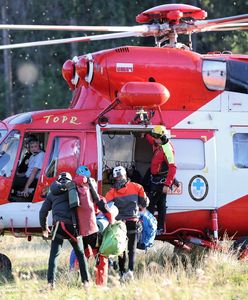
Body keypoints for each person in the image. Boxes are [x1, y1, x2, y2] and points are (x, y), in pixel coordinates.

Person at [39, 172, 90, 289]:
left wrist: (44, 228)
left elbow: (43, 212)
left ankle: (51, 284)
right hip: (73, 226)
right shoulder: (75, 189)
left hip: (58, 227)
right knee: (80, 254)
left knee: (54, 256)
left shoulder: (52, 193)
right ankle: (86, 283)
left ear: (58, 181)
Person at [105, 165, 149, 281]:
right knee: (132, 249)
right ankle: (130, 271)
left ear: (114, 178)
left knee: (121, 248)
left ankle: (121, 272)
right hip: (133, 221)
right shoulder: (137, 187)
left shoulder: (112, 192)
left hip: (119, 224)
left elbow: (106, 208)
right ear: (126, 175)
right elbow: (144, 203)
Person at [145, 125, 177, 235]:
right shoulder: (158, 144)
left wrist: (167, 185)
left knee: (150, 204)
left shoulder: (167, 149)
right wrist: (145, 134)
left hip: (160, 182)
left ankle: (150, 228)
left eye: (156, 137)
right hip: (156, 179)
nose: (154, 138)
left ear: (162, 137)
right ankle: (159, 228)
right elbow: (151, 140)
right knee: (161, 204)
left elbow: (172, 168)